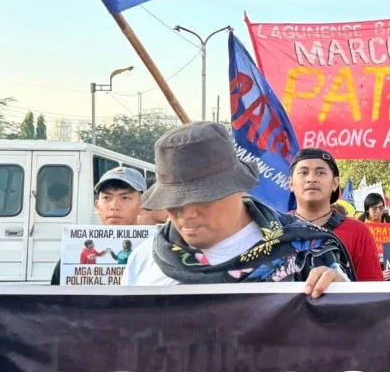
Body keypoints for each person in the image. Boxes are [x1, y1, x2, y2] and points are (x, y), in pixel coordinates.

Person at [121, 124, 349, 293]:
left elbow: (356, 343)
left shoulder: (309, 252)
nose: (188, 214)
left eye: (204, 199)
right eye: (175, 202)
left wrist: (342, 299)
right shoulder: (144, 260)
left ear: (239, 189)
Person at [287, 148, 383, 282]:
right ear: (290, 183)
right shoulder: (273, 230)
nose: (311, 179)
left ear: (335, 183)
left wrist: (343, 287)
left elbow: (374, 295)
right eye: (303, 172)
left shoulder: (358, 232)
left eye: (320, 172)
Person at [50, 165, 148, 285]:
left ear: (143, 205)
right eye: (107, 197)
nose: (114, 206)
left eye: (125, 198)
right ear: (97, 206)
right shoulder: (70, 258)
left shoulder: (156, 253)